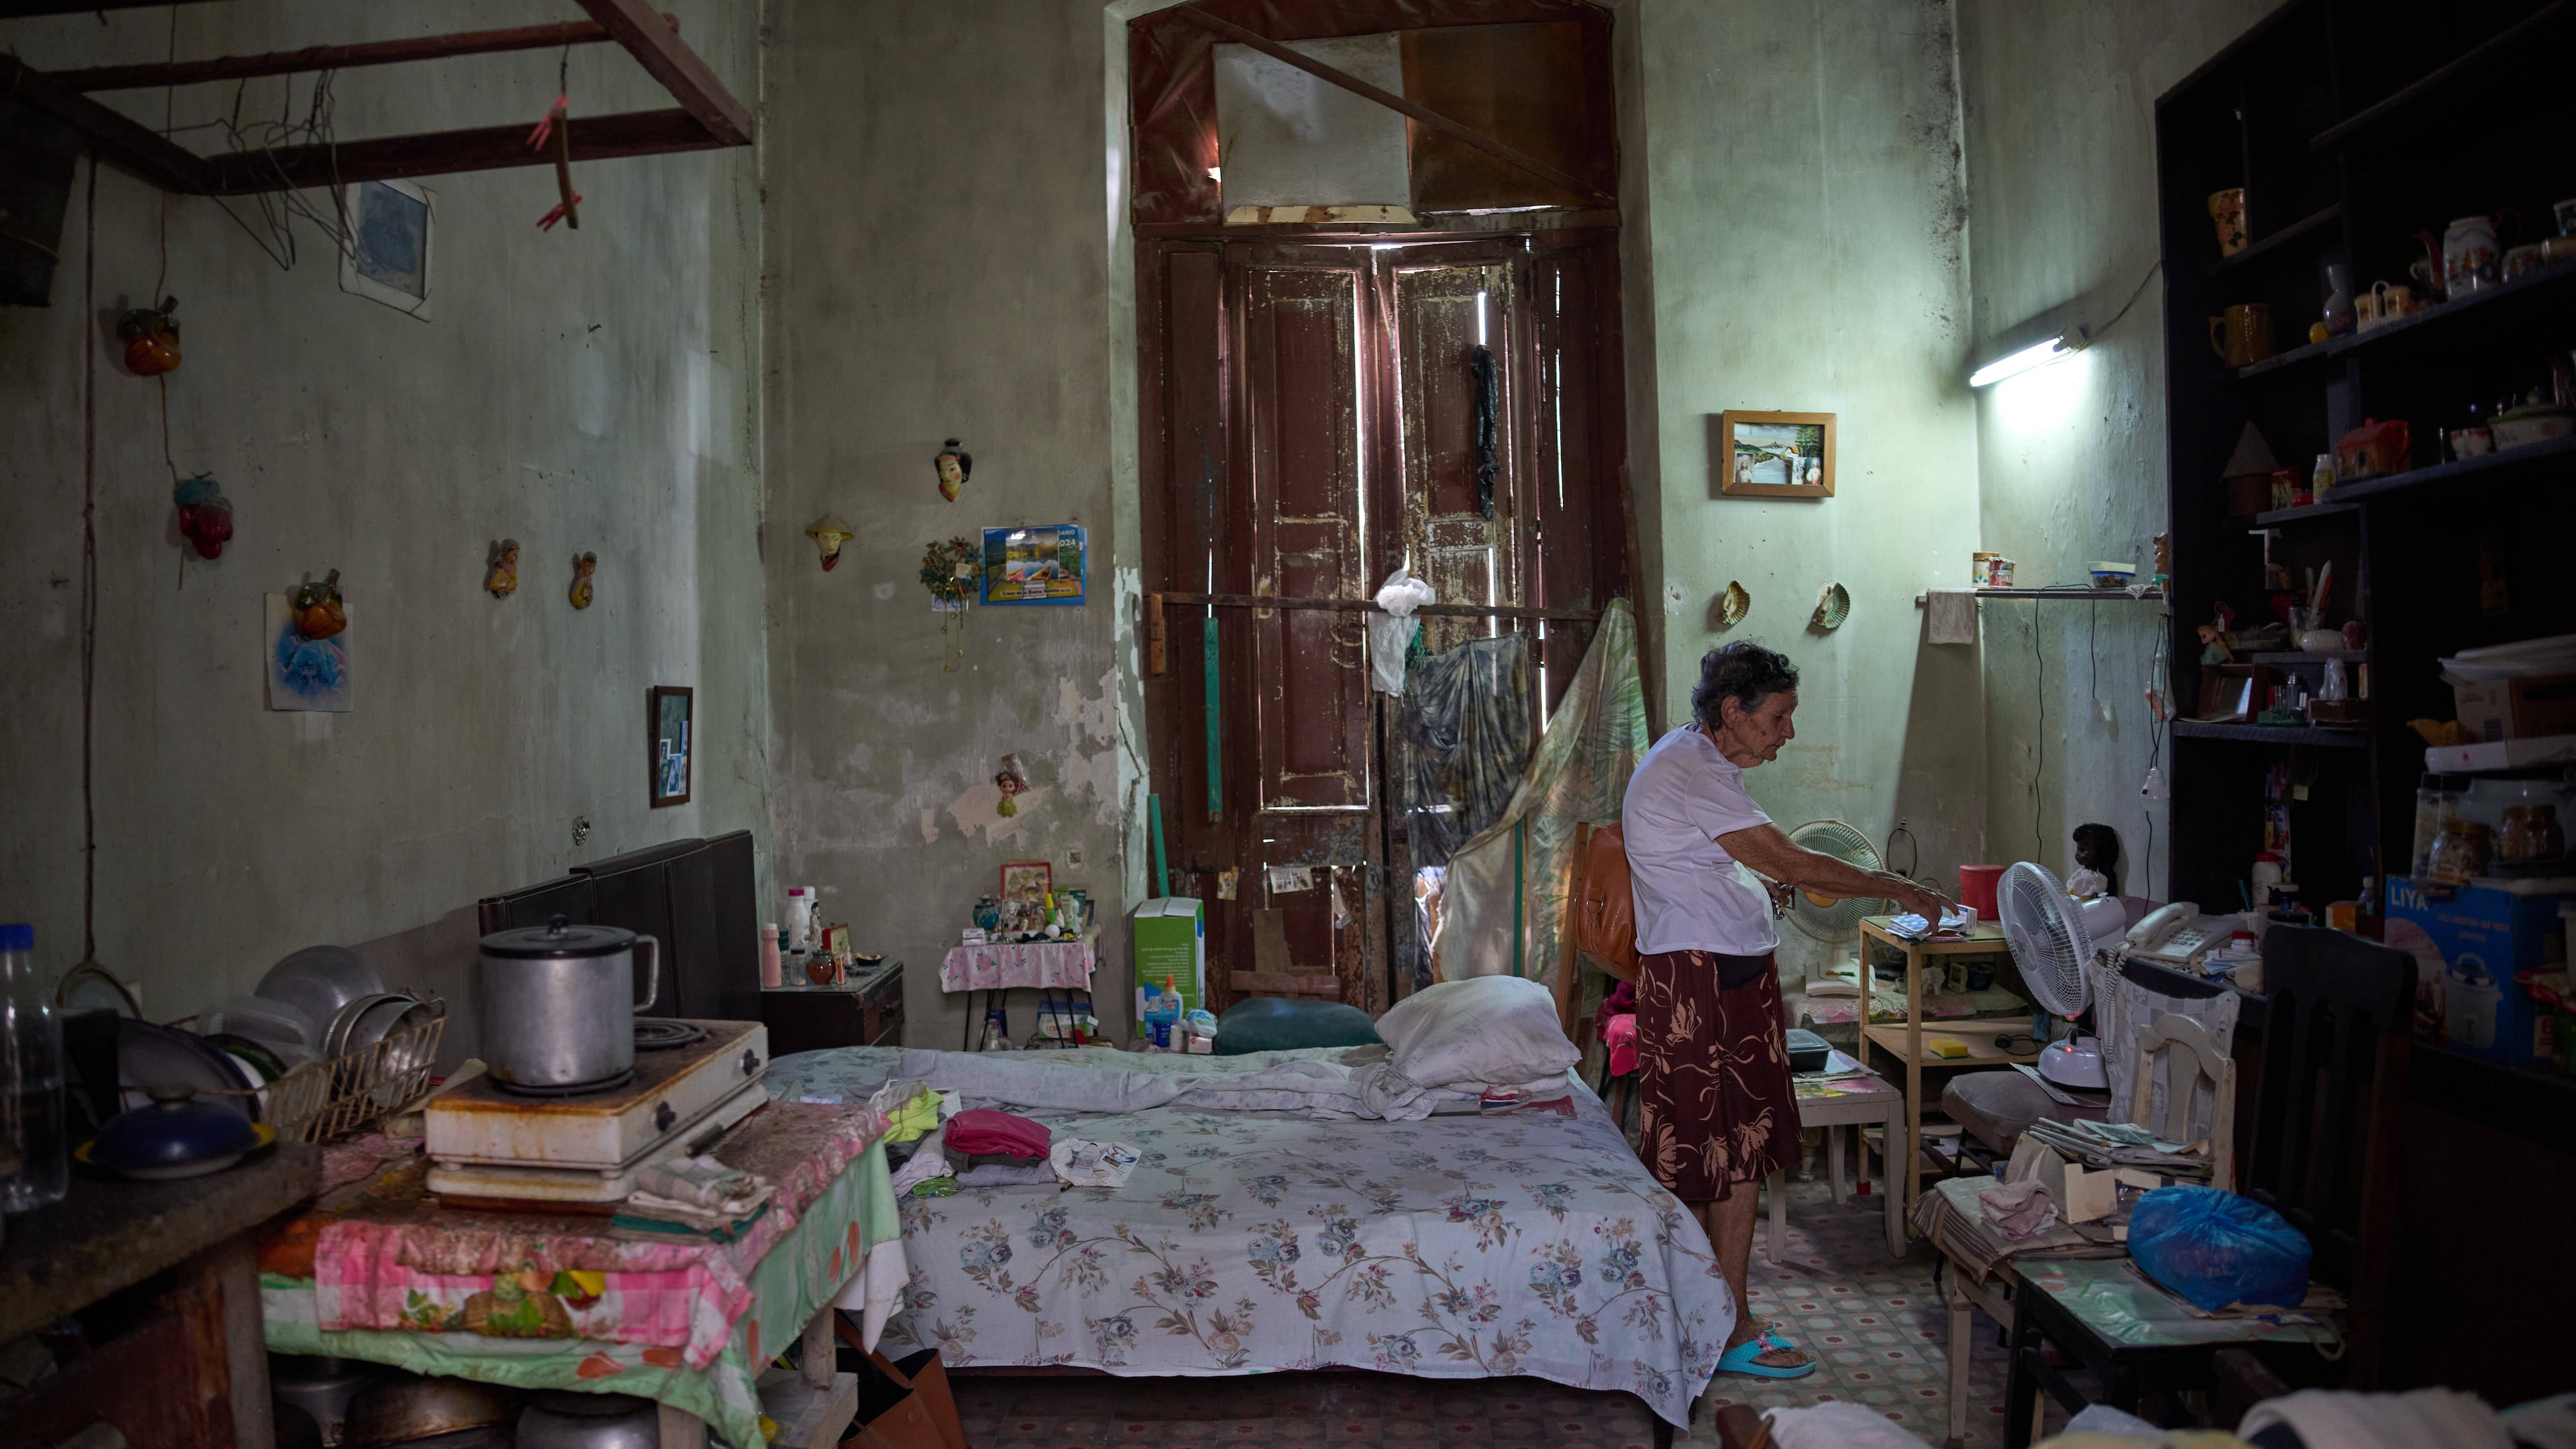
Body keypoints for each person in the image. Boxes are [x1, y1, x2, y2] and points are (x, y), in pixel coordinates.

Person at [1621, 641, 1951, 1379]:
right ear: (1731, 713)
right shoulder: (1690, 770)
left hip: (1721, 975)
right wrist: (1896, 886)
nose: (1787, 732)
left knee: (1728, 1153)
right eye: (1778, 717)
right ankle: (1728, 1326)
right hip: (1701, 984)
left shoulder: (1697, 761)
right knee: (1720, 1155)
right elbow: (1793, 862)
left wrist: (1747, 885)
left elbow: (1727, 861)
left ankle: (1713, 1313)